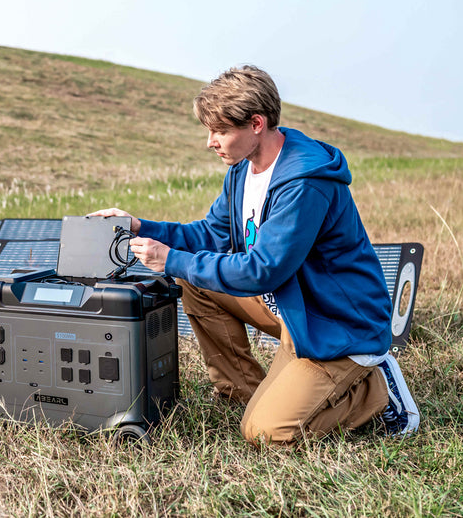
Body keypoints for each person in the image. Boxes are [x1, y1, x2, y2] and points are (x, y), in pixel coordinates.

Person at [90, 65, 418, 446]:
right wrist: (140, 227)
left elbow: (264, 271)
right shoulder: (243, 170)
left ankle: (376, 390)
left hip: (337, 327)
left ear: (257, 124)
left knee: (266, 433)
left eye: (221, 130)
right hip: (293, 311)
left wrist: (172, 259)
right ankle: (243, 394)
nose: (210, 141)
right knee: (195, 283)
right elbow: (209, 235)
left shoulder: (305, 182)